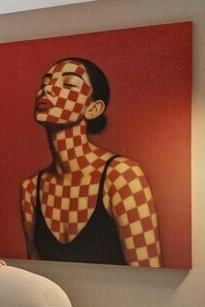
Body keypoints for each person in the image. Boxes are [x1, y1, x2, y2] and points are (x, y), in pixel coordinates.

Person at [18, 57, 160, 267]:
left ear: (93, 109)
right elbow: (37, 276)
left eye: (68, 84)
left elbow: (149, 273)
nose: (47, 89)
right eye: (45, 82)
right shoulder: (31, 189)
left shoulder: (122, 176)